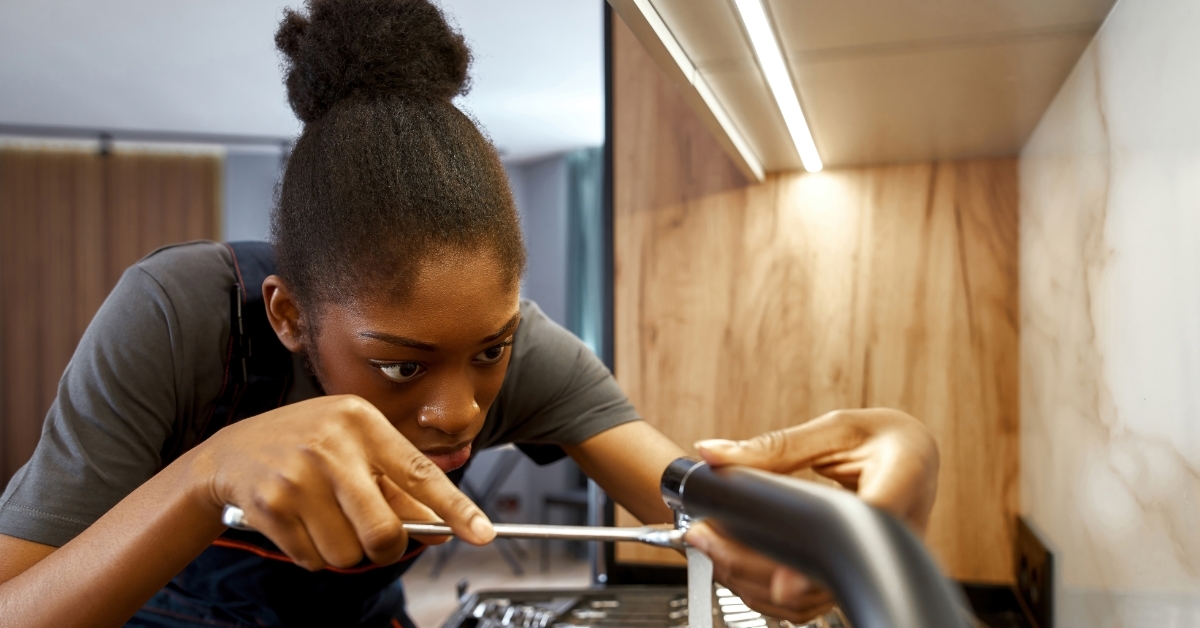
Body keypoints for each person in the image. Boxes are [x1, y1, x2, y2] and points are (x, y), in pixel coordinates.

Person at [0, 1, 939, 626]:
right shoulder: (175, 321)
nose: (459, 410)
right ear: (288, 317)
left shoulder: (524, 355)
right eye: (402, 365)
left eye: (489, 350)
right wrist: (203, 477)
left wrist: (841, 524)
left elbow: (694, 504)